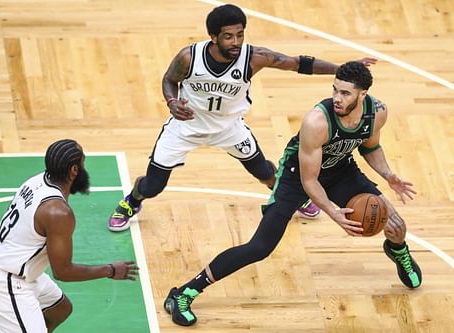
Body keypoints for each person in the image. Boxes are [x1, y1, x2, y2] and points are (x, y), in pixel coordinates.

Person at [162, 61, 422, 326]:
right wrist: (333, 212)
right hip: (297, 176)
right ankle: (184, 292)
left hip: (341, 170)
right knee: (260, 247)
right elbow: (310, 181)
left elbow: (370, 147)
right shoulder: (317, 121)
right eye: (335, 90)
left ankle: (398, 251)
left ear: (363, 94)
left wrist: (388, 175)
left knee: (395, 223)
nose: (337, 98)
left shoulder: (377, 112)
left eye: (345, 93)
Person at [107, 3, 378, 231]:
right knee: (153, 185)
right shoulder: (189, 57)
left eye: (240, 35)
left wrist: (340, 69)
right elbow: (169, 79)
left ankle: (296, 196)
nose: (236, 42)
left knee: (263, 171)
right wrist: (171, 101)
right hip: (185, 127)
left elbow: (297, 63)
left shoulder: (253, 58)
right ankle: (132, 199)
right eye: (228, 36)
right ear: (213, 37)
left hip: (229, 129)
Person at [0, 139, 139, 333]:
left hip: (7, 264)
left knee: (59, 309)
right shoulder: (58, 213)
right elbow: (62, 272)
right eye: (83, 163)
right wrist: (110, 270)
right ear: (74, 170)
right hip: (5, 281)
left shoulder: (37, 180)